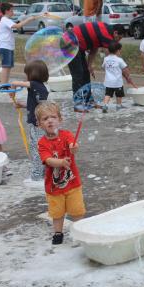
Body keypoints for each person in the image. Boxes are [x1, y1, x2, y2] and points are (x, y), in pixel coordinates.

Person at [36, 101, 86, 245]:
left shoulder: (66, 135)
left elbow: (73, 144)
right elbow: (48, 160)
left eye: (53, 117)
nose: (50, 120)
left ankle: (80, 230)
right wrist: (61, 163)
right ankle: (58, 232)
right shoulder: (42, 143)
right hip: (54, 187)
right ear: (40, 124)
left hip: (73, 183)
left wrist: (74, 147)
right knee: (57, 213)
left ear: (60, 119)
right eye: (45, 119)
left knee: (77, 210)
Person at [68, 22, 125, 111]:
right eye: (119, 38)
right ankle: (78, 105)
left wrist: (89, 65)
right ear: (115, 33)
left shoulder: (105, 31)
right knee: (78, 74)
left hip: (77, 45)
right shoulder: (106, 36)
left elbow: (94, 47)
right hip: (69, 43)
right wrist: (126, 74)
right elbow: (116, 58)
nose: (118, 41)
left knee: (85, 73)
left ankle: (88, 101)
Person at [11, 60, 50, 188]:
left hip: (38, 126)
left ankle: (37, 177)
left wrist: (13, 86)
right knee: (39, 149)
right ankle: (44, 174)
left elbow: (16, 83)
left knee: (37, 151)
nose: (25, 76)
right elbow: (38, 105)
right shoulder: (39, 88)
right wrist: (22, 105)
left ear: (32, 75)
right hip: (38, 125)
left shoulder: (35, 85)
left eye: (26, 74)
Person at [0, 3, 44, 84]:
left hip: (8, 47)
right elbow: (18, 26)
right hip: (4, 47)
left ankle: (5, 83)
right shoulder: (5, 20)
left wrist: (33, 18)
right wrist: (28, 19)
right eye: (12, 11)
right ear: (6, 11)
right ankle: (3, 84)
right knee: (5, 66)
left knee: (8, 67)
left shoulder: (7, 20)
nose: (13, 13)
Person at [101, 42, 137, 113]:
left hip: (108, 82)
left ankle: (105, 105)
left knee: (107, 94)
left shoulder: (106, 59)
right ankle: (118, 105)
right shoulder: (119, 60)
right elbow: (125, 69)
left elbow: (103, 67)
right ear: (117, 51)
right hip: (117, 82)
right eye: (120, 50)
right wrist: (128, 76)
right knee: (119, 94)